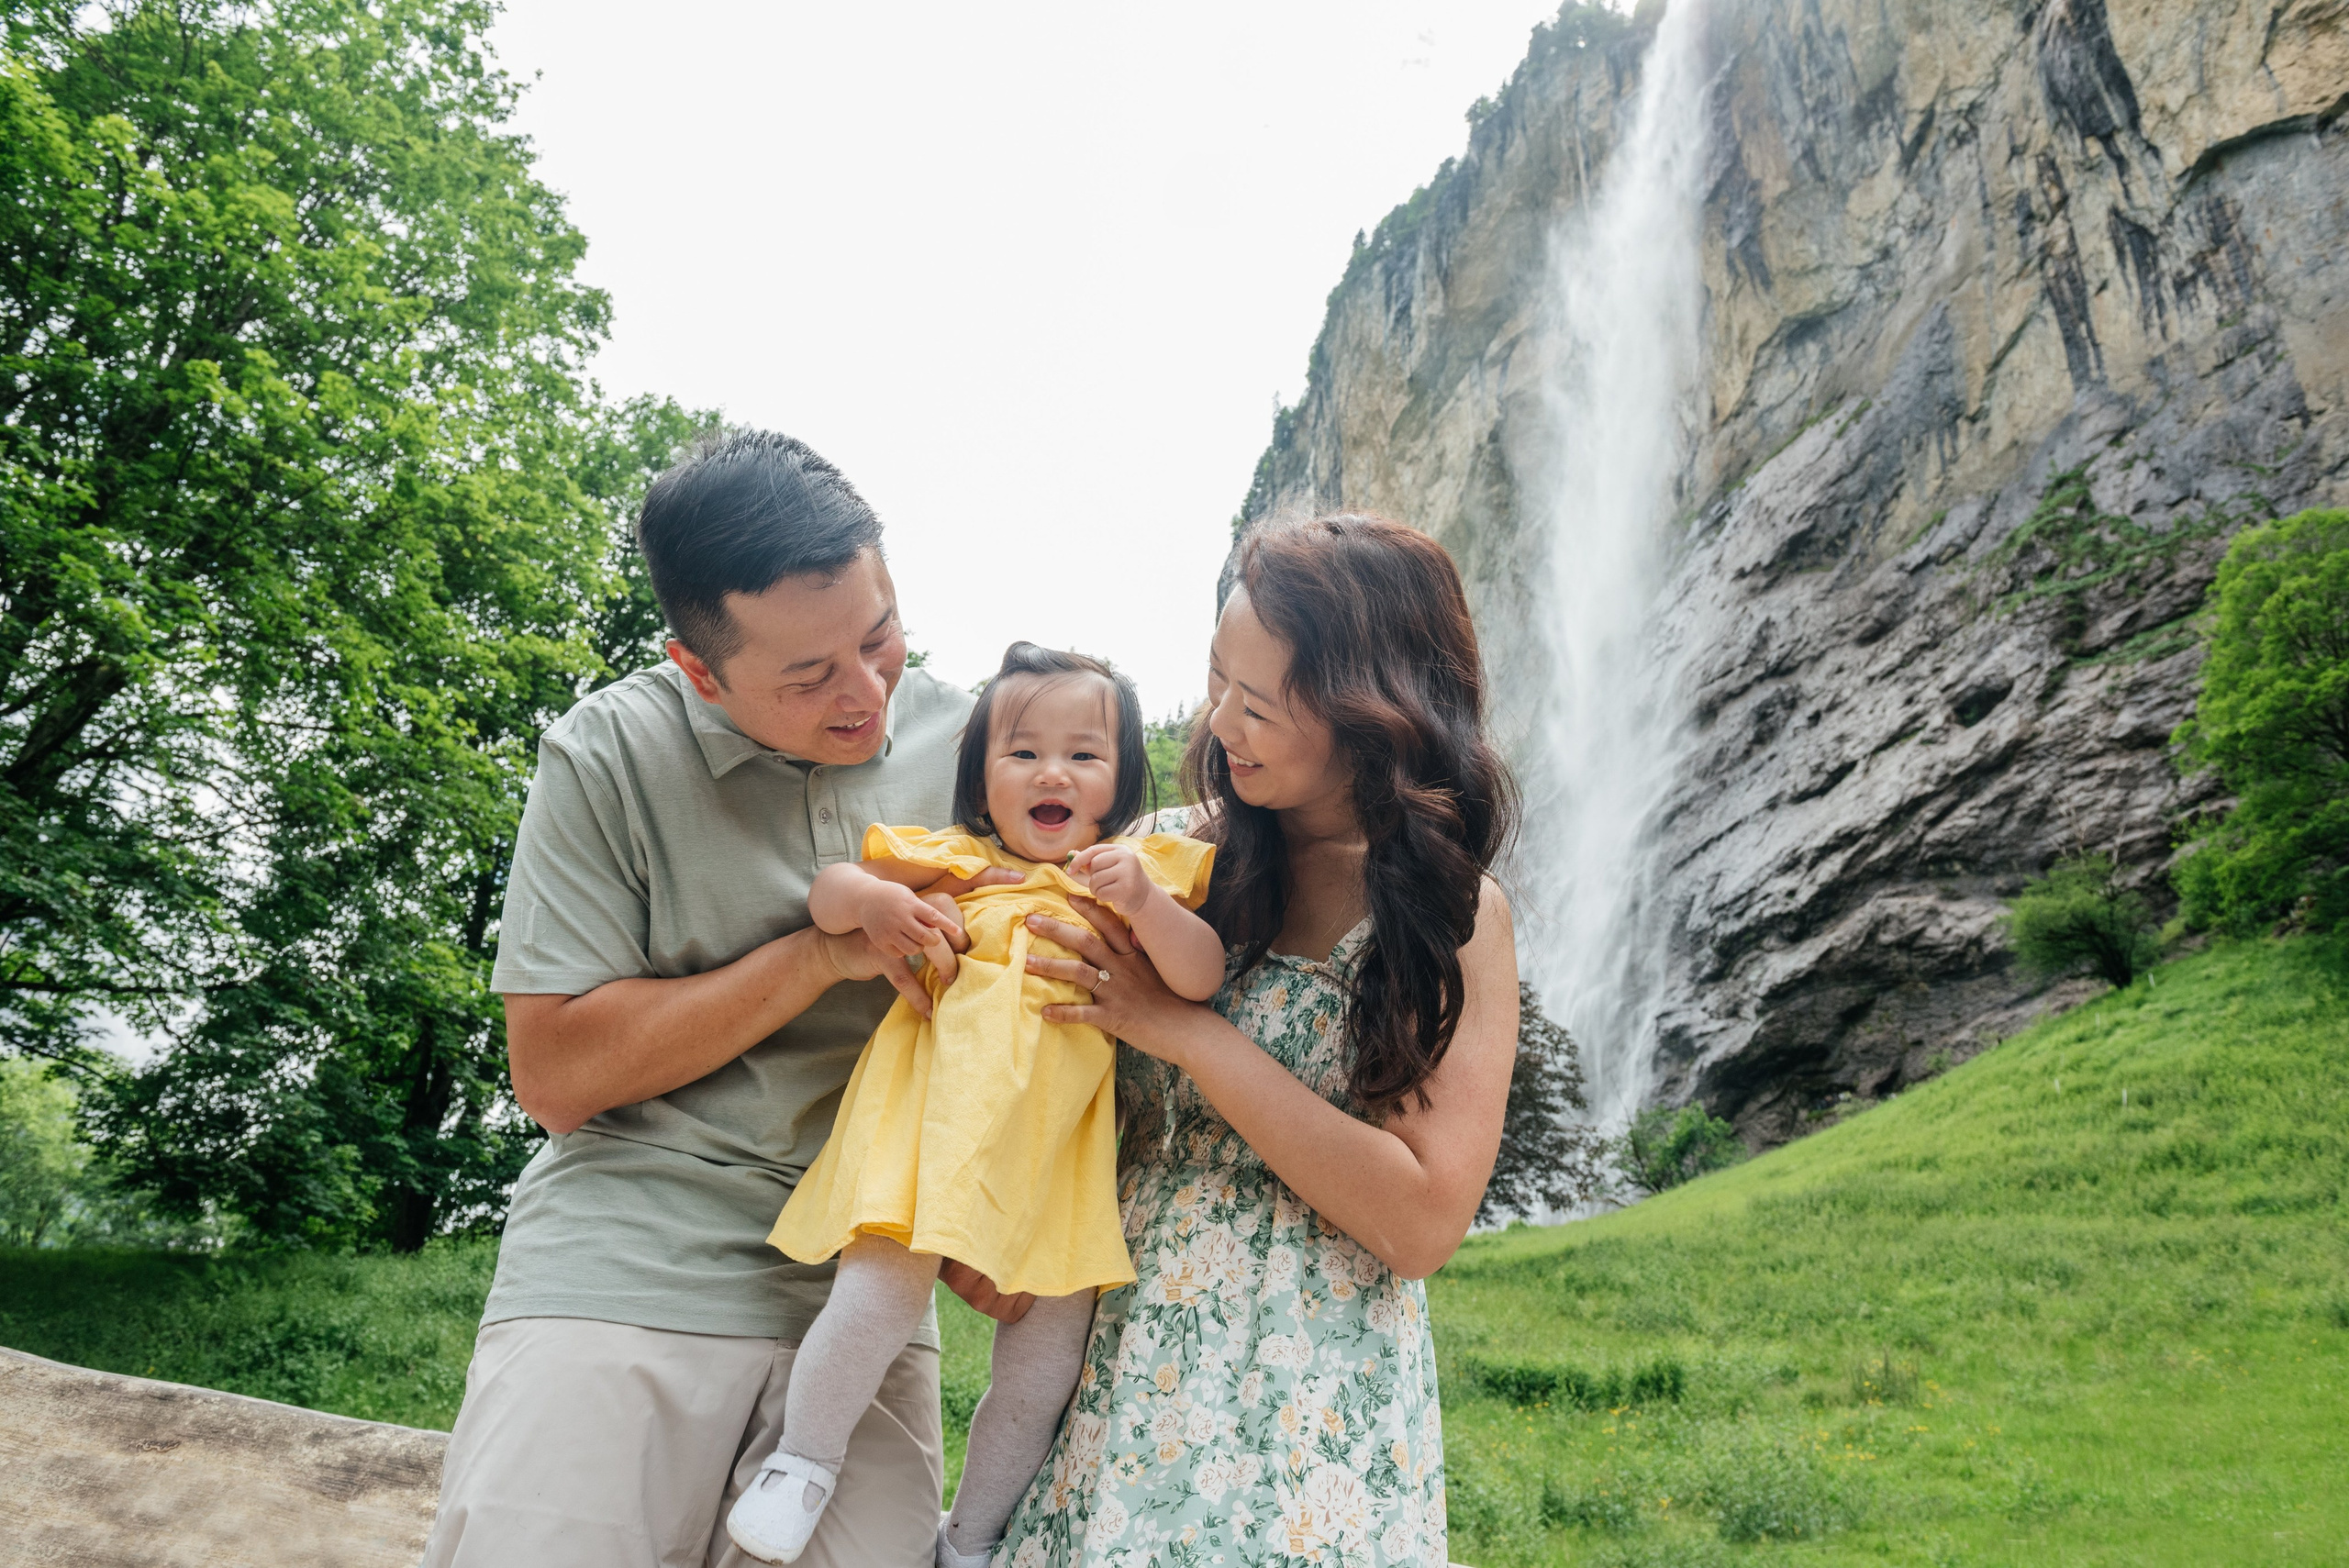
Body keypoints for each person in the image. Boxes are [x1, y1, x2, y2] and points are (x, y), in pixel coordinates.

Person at [421, 429, 1025, 1568]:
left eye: (879, 633)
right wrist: (816, 954)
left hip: (865, 1287)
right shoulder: (606, 752)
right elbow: (554, 1075)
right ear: (698, 668)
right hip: (626, 1251)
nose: (866, 692)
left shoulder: (985, 744)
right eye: (809, 675)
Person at [993, 516, 1520, 1568]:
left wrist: (1188, 1033)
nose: (1217, 719)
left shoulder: (1446, 911)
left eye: (1258, 703)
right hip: (1110, 1360)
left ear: (1369, 714)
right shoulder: (1162, 857)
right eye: (1215, 679)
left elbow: (1420, 1220)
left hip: (1308, 1404)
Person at [726, 642, 1225, 1566]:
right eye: (1022, 750)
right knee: (872, 1300)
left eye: (1084, 752)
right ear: (980, 775)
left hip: (1056, 1158)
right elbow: (827, 892)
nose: (1052, 771)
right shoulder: (955, 861)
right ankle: (803, 1461)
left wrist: (1149, 909)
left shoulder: (1131, 873)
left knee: (1043, 1366)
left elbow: (1199, 976)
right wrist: (877, 904)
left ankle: (974, 1536)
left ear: (1118, 782)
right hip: (929, 1131)